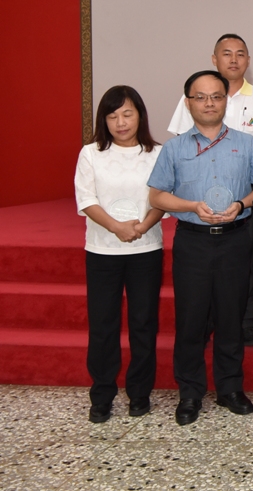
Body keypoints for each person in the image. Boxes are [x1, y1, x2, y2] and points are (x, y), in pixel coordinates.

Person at [149, 70, 253, 426]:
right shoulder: (173, 148)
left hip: (235, 239)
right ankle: (190, 392)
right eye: (200, 97)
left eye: (216, 96)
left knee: (232, 316)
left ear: (225, 101)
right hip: (193, 242)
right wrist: (191, 206)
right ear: (188, 103)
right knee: (191, 319)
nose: (209, 103)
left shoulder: (247, 144)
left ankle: (230, 388)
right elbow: (157, 195)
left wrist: (242, 204)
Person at [167, 34, 253, 347]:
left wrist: (252, 191)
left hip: (245, 199)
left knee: (244, 263)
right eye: (226, 53)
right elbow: (181, 144)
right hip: (199, 201)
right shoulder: (194, 96)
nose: (233, 59)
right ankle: (204, 324)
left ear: (248, 60)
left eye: (240, 53)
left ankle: (245, 323)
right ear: (214, 59)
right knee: (201, 273)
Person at [74, 85, 165, 423]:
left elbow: (163, 198)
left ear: (140, 115)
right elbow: (86, 199)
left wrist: (141, 227)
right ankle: (101, 394)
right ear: (104, 120)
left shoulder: (157, 153)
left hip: (146, 248)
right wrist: (116, 227)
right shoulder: (91, 153)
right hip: (102, 250)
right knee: (103, 324)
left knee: (143, 322)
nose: (121, 122)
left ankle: (140, 392)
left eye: (127, 114)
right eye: (112, 116)